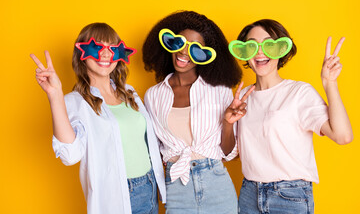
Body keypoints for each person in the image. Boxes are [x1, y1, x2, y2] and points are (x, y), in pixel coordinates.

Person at [30, 23, 166, 214]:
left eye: (112, 48)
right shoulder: (75, 102)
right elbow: (70, 156)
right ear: (81, 55)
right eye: (97, 47)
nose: (105, 54)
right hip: (119, 194)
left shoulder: (130, 93)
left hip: (150, 186)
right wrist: (55, 95)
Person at [228, 19, 353, 214]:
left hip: (289, 196)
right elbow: (231, 154)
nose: (260, 51)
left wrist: (330, 84)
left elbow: (343, 136)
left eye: (269, 44)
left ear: (281, 50)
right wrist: (228, 122)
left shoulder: (299, 92)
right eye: (252, 46)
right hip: (249, 194)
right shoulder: (242, 99)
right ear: (245, 53)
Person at [142, 11, 253, 214]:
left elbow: (228, 153)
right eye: (179, 43)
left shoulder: (219, 91)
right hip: (176, 186)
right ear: (169, 44)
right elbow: (155, 151)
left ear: (205, 56)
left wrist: (228, 122)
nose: (184, 53)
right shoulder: (153, 96)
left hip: (216, 183)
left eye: (195, 49)